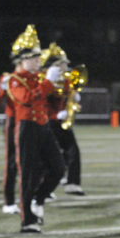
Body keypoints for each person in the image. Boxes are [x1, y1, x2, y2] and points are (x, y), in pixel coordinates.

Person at [7, 24, 65, 233]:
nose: (39, 61)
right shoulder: (14, 80)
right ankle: (27, 221)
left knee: (59, 168)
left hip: (44, 127)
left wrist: (62, 92)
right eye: (34, 58)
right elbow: (28, 99)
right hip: (27, 129)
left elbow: (52, 103)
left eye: (39, 58)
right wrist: (49, 82)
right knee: (28, 174)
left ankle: (38, 200)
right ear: (24, 60)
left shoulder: (40, 79)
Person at [40, 42, 85, 196]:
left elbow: (68, 96)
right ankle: (43, 187)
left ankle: (73, 183)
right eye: (64, 64)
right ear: (57, 65)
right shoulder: (44, 79)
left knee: (73, 151)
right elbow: (39, 100)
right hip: (47, 121)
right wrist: (54, 115)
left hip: (62, 122)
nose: (67, 67)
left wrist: (73, 98)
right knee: (47, 155)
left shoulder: (65, 80)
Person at [0, 71, 19, 214]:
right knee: (12, 162)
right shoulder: (9, 77)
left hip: (35, 122)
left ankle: (35, 197)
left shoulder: (37, 76)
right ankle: (9, 202)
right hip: (14, 122)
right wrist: (2, 87)